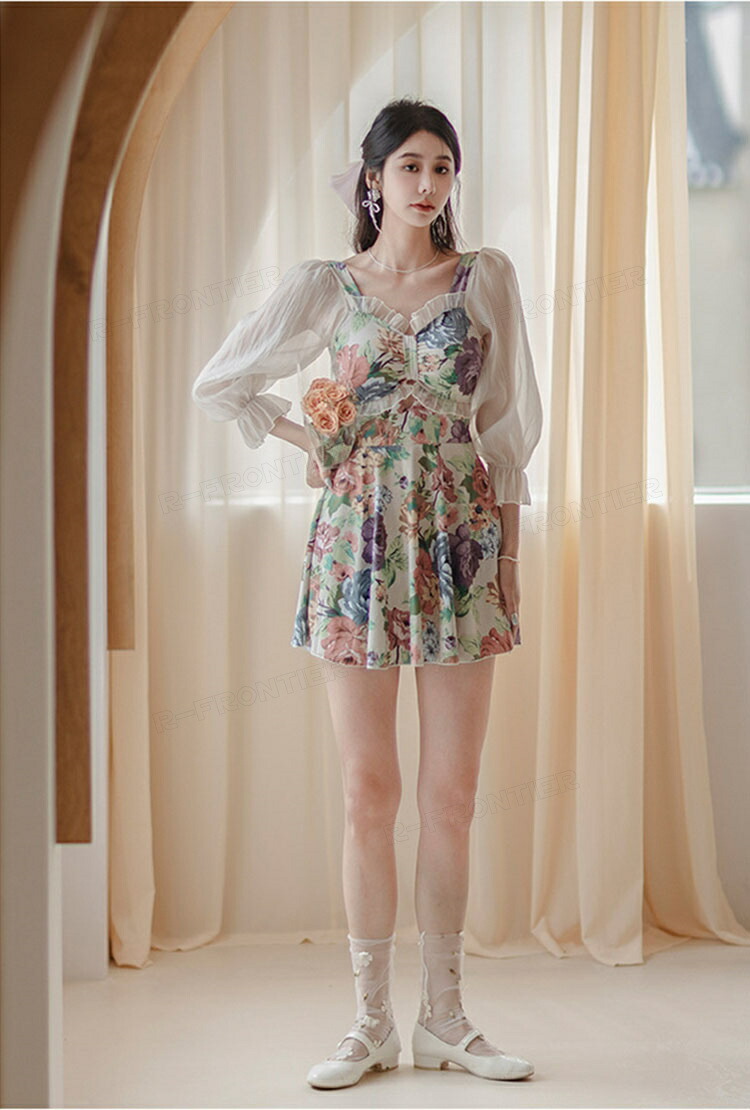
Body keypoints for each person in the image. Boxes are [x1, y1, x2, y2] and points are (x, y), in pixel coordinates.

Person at [192, 96, 543, 1089]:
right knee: (368, 792)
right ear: (373, 179)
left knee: (453, 794)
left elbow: (509, 429)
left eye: (442, 168)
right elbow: (222, 382)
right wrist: (313, 438)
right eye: (409, 167)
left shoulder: (484, 278)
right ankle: (369, 1022)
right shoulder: (326, 287)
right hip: (356, 545)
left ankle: (447, 1018)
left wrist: (508, 563)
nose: (427, 184)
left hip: (463, 545)